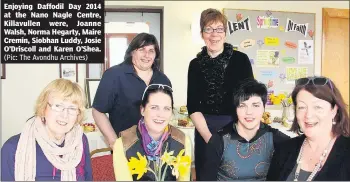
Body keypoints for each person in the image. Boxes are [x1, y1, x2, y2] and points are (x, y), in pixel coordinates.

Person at [186, 8, 254, 179]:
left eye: (219, 29)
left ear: (225, 32)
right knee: (207, 175)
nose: (214, 34)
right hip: (205, 131)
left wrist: (241, 132)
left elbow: (250, 98)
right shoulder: (195, 64)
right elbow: (192, 105)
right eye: (208, 29)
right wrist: (211, 139)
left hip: (237, 129)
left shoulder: (241, 60)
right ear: (202, 33)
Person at [1, 79, 92, 181]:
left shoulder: (80, 141)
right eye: (58, 106)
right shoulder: (12, 148)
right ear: (43, 108)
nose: (64, 115)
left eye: (72, 108)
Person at [199, 79, 290, 180]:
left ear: (264, 108)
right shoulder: (219, 140)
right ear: (235, 109)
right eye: (242, 106)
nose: (249, 112)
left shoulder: (275, 138)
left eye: (255, 105)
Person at [92, 33, 172, 149]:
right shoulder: (113, 75)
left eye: (151, 51)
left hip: (158, 147)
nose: (146, 55)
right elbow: (98, 111)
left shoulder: (163, 80)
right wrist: (114, 142)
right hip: (125, 146)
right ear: (132, 52)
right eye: (142, 50)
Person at [266, 76, 350, 181]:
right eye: (302, 107)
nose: (308, 115)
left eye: (317, 107)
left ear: (334, 110)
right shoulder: (284, 150)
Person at [112, 84, 192, 181]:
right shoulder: (123, 144)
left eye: (166, 108)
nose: (160, 114)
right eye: (154, 107)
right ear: (142, 110)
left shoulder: (182, 141)